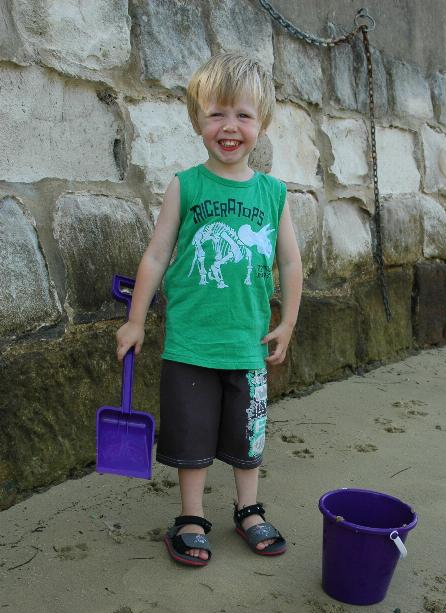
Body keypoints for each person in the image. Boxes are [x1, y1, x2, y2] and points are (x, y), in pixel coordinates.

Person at [116, 52, 303, 567]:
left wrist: (286, 320)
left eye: (243, 115)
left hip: (247, 344)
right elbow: (156, 255)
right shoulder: (187, 185)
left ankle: (247, 508)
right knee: (192, 435)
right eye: (217, 113)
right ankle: (192, 516)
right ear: (198, 120)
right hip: (191, 342)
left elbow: (289, 262)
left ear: (261, 124)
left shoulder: (272, 193)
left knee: (249, 434)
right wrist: (135, 320)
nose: (230, 127)